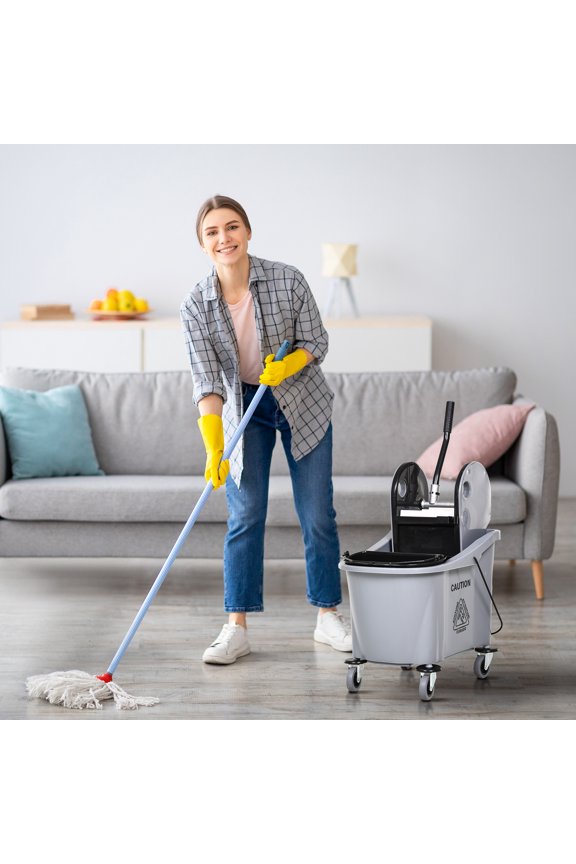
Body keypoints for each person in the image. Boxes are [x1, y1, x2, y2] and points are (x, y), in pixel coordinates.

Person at [180, 194, 351, 664]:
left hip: (302, 401)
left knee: (317, 512)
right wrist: (214, 447)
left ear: (248, 232)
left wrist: (291, 363)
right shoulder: (195, 305)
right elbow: (208, 383)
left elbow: (318, 340)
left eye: (232, 227)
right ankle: (237, 627)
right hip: (243, 408)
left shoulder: (287, 279)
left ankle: (328, 616)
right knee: (245, 514)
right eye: (213, 232)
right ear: (202, 243)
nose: (224, 238)